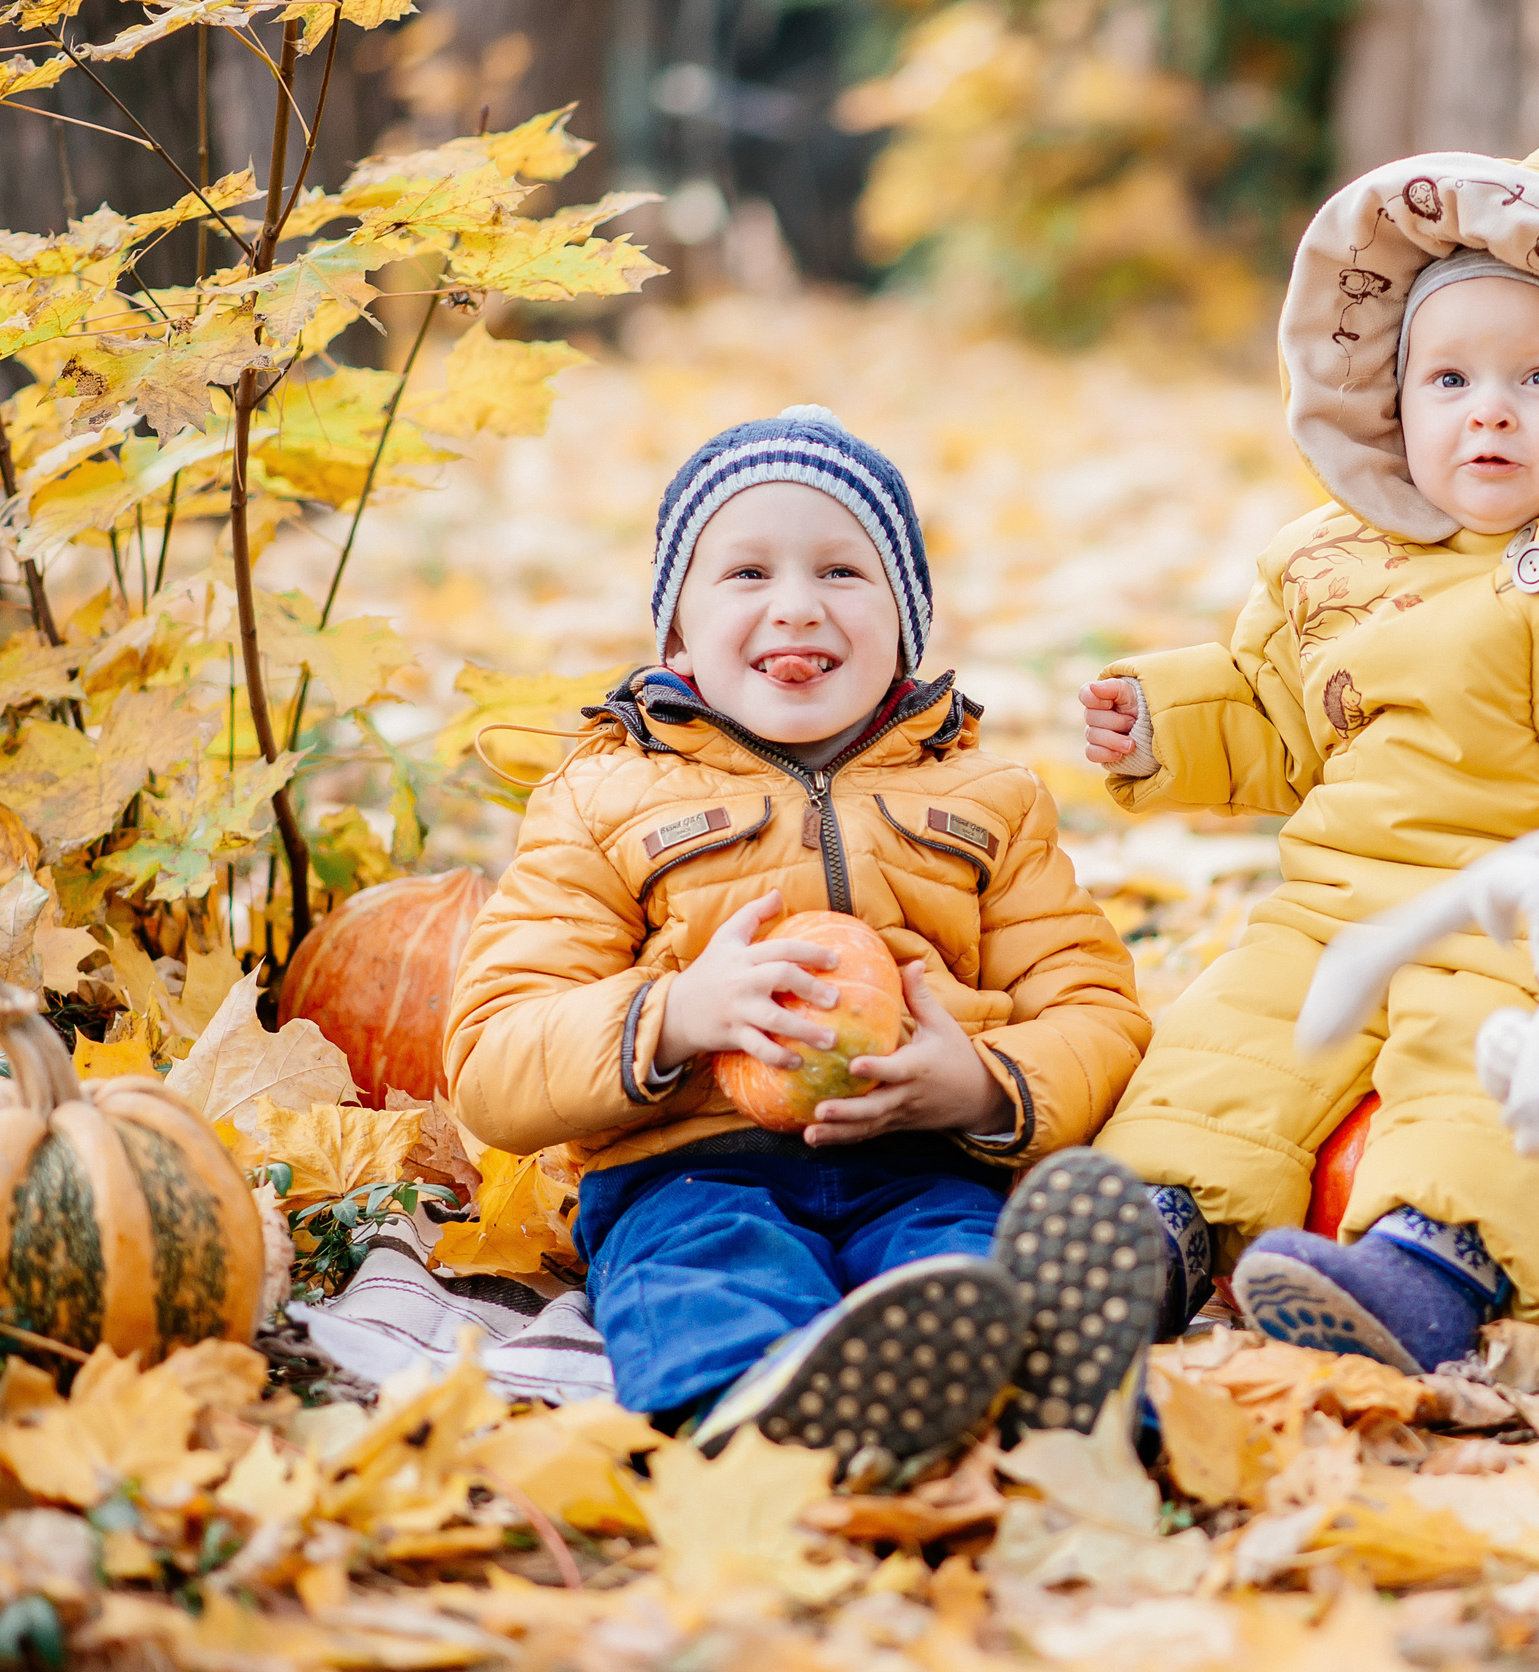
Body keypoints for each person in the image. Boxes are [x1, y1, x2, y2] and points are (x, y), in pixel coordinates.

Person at [1080, 134, 1539, 1372]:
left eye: (1537, 378)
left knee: (1485, 1066)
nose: (1489, 409)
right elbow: (1275, 714)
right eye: (1450, 380)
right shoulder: (1332, 564)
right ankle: (1150, 1230)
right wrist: (1160, 723)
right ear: (1393, 400)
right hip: (1347, 903)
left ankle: (1432, 1264)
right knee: (1234, 1036)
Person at [447, 407, 1162, 1466]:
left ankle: (1046, 1391)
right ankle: (765, 1408)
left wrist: (979, 1086)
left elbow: (1094, 1009)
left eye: (841, 572)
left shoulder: (988, 799)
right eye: (745, 575)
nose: (796, 607)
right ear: (677, 628)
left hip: (928, 1160)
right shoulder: (604, 799)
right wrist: (678, 1015)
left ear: (905, 621)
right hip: (683, 1169)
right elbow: (491, 1057)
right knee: (707, 1273)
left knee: (958, 1260)